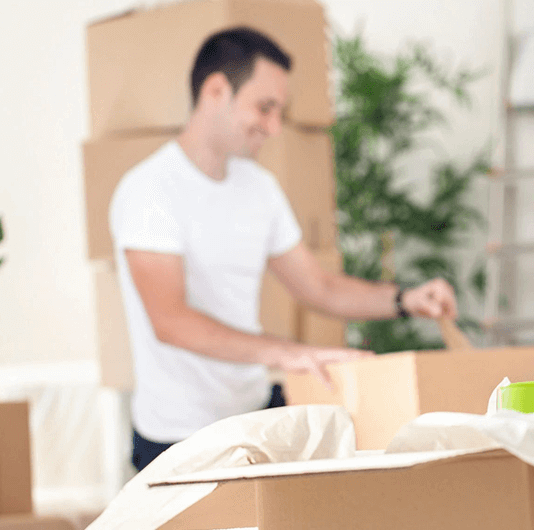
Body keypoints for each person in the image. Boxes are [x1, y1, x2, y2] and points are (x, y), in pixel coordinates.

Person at [110, 27, 458, 472]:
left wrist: (406, 300)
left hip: (253, 414)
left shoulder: (259, 189)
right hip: (178, 437)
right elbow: (171, 321)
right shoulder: (150, 190)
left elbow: (320, 287)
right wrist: (290, 353)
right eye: (265, 108)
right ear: (216, 90)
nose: (274, 127)